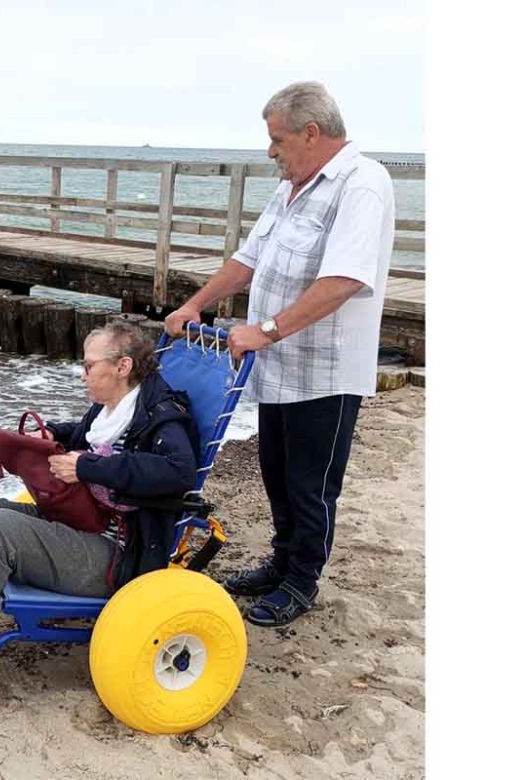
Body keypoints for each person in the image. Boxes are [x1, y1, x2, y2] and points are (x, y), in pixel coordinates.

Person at [164, 81, 395, 628]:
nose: (271, 151)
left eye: (277, 139)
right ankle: (281, 561)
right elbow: (248, 259)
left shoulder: (361, 184)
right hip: (277, 370)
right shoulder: (293, 185)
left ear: (310, 133)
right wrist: (195, 304)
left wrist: (264, 330)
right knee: (275, 472)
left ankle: (301, 580)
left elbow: (343, 279)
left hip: (327, 370)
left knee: (311, 484)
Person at [0, 321, 199, 704]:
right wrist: (53, 436)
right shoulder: (111, 409)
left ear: (122, 367)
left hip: (116, 554)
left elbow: (179, 472)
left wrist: (86, 468)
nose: (82, 375)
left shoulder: (163, 415)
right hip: (87, 526)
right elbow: (85, 437)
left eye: (88, 366)